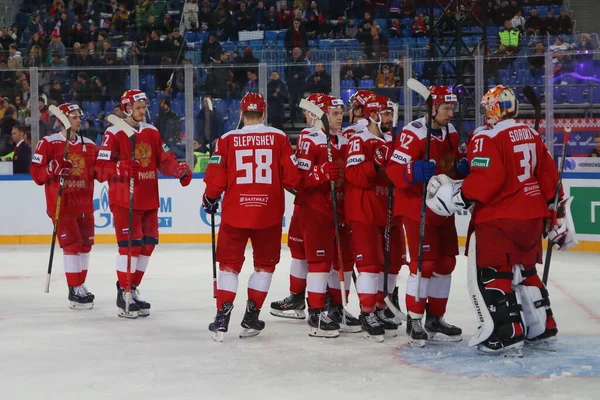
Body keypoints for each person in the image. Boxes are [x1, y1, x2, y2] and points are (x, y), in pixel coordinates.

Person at [426, 85, 575, 357]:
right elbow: (550, 178)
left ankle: (507, 335)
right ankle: (542, 329)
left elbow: (486, 180)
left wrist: (461, 195)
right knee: (526, 272)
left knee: (496, 274)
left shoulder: (486, 136)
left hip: (500, 218)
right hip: (532, 216)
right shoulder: (530, 132)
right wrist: (555, 213)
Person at [203, 93, 301, 341]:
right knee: (264, 267)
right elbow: (292, 179)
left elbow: (216, 181)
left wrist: (209, 199)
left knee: (228, 267)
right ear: (264, 113)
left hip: (236, 214)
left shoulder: (226, 140)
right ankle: (251, 316)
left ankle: (222, 318)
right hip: (268, 214)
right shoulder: (278, 138)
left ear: (240, 113)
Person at [95, 90, 192, 319]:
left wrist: (177, 169)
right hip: (124, 200)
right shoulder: (114, 132)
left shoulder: (151, 131)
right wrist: (119, 168)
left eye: (144, 107)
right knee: (130, 247)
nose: (143, 111)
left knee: (147, 246)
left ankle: (132, 288)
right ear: (127, 108)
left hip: (149, 199)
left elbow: (164, 160)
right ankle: (124, 292)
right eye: (138, 107)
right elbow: (99, 169)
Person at [385, 85, 463, 347]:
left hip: (445, 207)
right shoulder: (413, 133)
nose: (450, 113)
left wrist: (461, 165)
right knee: (424, 264)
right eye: (446, 108)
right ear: (432, 108)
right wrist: (412, 171)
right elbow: (393, 171)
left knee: (446, 264)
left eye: (452, 107)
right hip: (418, 207)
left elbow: (452, 162)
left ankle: (435, 318)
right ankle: (415, 319)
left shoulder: (450, 131)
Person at [295, 94, 360, 338]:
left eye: (341, 113)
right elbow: (299, 181)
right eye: (334, 113)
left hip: (342, 208)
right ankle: (316, 312)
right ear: (322, 114)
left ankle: (336, 309)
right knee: (320, 262)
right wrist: (320, 172)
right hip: (317, 209)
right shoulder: (309, 138)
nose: (340, 117)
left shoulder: (344, 140)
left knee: (343, 263)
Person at [344, 94, 407, 342]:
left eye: (391, 113)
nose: (391, 118)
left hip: (390, 210)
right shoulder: (359, 141)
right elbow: (353, 175)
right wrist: (374, 164)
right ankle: (367, 312)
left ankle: (382, 307)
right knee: (370, 265)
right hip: (364, 211)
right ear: (373, 115)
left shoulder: (393, 141)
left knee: (392, 264)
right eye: (386, 113)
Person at [31, 103, 98, 309]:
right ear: (63, 120)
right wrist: (53, 168)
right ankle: (74, 288)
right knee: (73, 245)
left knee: (86, 246)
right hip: (62, 204)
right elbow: (37, 174)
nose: (79, 119)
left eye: (80, 116)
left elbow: (100, 171)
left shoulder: (90, 145)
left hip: (84, 204)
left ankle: (80, 285)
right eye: (74, 116)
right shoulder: (48, 143)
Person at [270, 92, 325, 319]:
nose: (304, 114)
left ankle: (324, 303)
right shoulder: (307, 135)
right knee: (299, 252)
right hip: (305, 204)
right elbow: (300, 175)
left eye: (307, 110)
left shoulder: (335, 137)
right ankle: (298, 297)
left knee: (321, 258)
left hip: (320, 206)